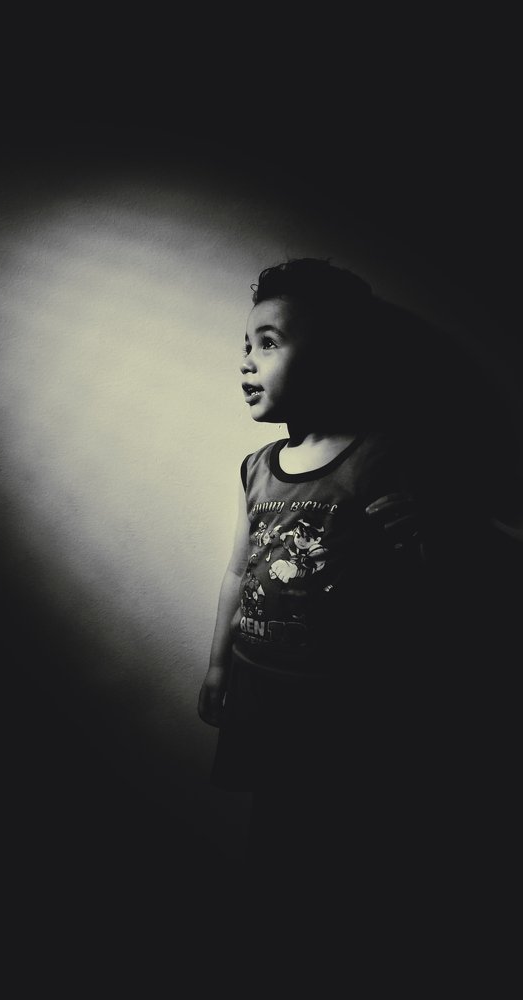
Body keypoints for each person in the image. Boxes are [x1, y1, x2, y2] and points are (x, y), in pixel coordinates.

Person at [197, 258, 522, 902]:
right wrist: (216, 666)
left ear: (332, 357)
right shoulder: (257, 467)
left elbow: (432, 579)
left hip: (339, 706)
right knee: (273, 829)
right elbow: (238, 569)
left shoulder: (379, 457)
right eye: (245, 346)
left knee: (341, 839)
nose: (246, 362)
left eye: (268, 343)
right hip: (261, 690)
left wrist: (444, 535)